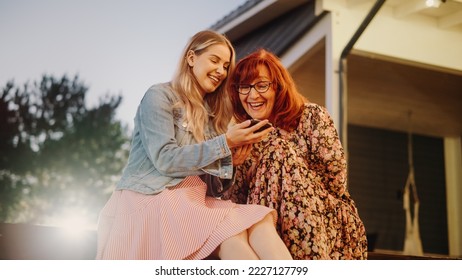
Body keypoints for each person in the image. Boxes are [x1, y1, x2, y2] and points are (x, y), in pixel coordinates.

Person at [95, 31, 292, 260]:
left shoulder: (212, 115)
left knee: (261, 220)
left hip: (190, 199)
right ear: (191, 58)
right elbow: (166, 160)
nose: (221, 71)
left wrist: (231, 163)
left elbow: (207, 185)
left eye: (226, 65)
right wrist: (226, 143)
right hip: (152, 197)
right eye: (215, 60)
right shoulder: (159, 96)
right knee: (231, 234)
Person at [223, 48, 368, 260]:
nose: (252, 95)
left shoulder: (311, 116)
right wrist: (234, 166)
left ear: (278, 87)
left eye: (262, 85)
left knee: (276, 149)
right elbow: (237, 200)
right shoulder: (244, 135)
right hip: (263, 224)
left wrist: (289, 182)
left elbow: (336, 181)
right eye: (244, 87)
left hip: (326, 219)